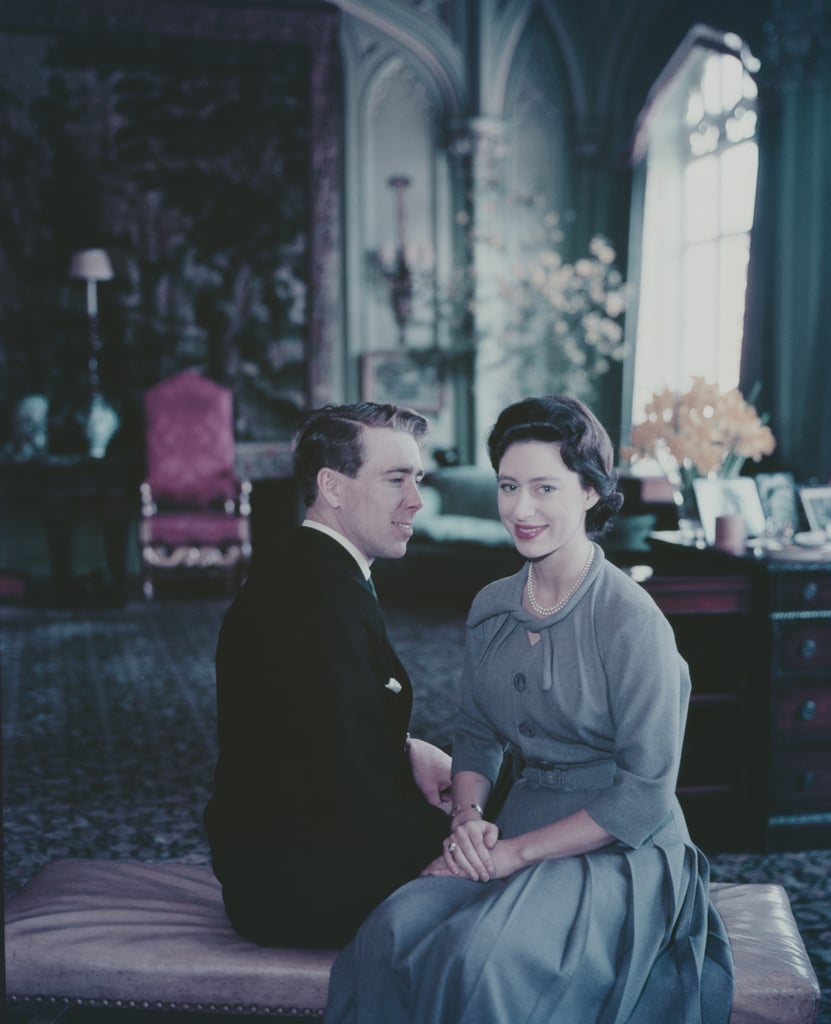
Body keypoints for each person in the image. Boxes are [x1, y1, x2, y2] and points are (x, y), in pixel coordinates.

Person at [324, 395, 734, 1023]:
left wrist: (513, 854)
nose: (521, 508)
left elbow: (645, 794)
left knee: (485, 960)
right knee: (389, 931)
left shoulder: (631, 621)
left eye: (545, 487)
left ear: (590, 493)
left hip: (619, 852)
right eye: (508, 485)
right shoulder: (492, 605)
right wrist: (466, 820)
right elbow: (475, 732)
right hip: (514, 826)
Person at [203, 402, 452, 948]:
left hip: (291, 857)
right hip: (300, 887)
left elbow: (310, 723)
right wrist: (467, 834)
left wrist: (406, 747)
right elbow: (351, 801)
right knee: (532, 889)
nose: (416, 500)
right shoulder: (320, 599)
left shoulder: (311, 567)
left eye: (417, 479)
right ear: (332, 487)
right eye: (395, 480)